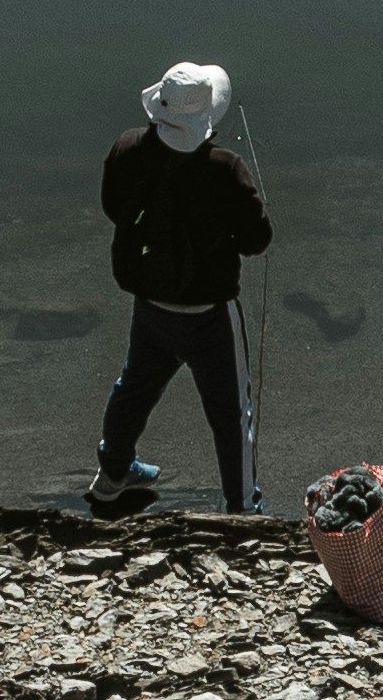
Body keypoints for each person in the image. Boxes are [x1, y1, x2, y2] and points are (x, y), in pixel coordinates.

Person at [88, 52, 270, 513]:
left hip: (150, 304)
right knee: (232, 415)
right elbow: (257, 240)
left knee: (134, 387)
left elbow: (114, 208)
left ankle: (112, 476)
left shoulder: (127, 147)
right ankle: (243, 510)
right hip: (209, 315)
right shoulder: (224, 168)